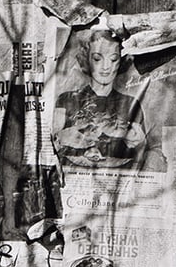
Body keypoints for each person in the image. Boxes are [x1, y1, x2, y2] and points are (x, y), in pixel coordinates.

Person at [53, 29, 147, 168]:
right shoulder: (65, 99)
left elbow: (142, 150)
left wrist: (135, 140)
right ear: (86, 59)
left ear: (120, 61)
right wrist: (64, 137)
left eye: (113, 59)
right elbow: (53, 144)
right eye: (97, 58)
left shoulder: (131, 103)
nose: (106, 67)